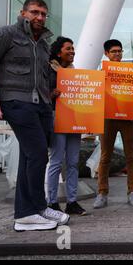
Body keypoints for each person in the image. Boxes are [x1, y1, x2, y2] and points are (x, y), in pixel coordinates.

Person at [0, 0, 69, 231]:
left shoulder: (44, 42)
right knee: (37, 155)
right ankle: (27, 213)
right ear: (22, 13)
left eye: (43, 14)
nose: (39, 17)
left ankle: (36, 209)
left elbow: (44, 76)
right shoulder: (6, 34)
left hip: (41, 105)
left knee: (30, 155)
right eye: (34, 12)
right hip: (16, 102)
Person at [93, 39, 133, 209]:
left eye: (120, 51)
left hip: (128, 119)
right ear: (106, 53)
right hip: (108, 119)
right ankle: (102, 193)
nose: (117, 54)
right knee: (105, 156)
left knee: (131, 156)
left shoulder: (131, 72)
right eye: (114, 51)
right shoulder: (101, 73)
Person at [47, 36, 86, 215]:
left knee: (73, 162)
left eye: (73, 49)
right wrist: (51, 94)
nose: (72, 51)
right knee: (56, 161)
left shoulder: (74, 72)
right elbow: (41, 93)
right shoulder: (48, 70)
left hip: (73, 119)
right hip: (56, 117)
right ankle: (52, 202)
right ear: (58, 52)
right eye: (68, 48)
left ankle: (72, 202)